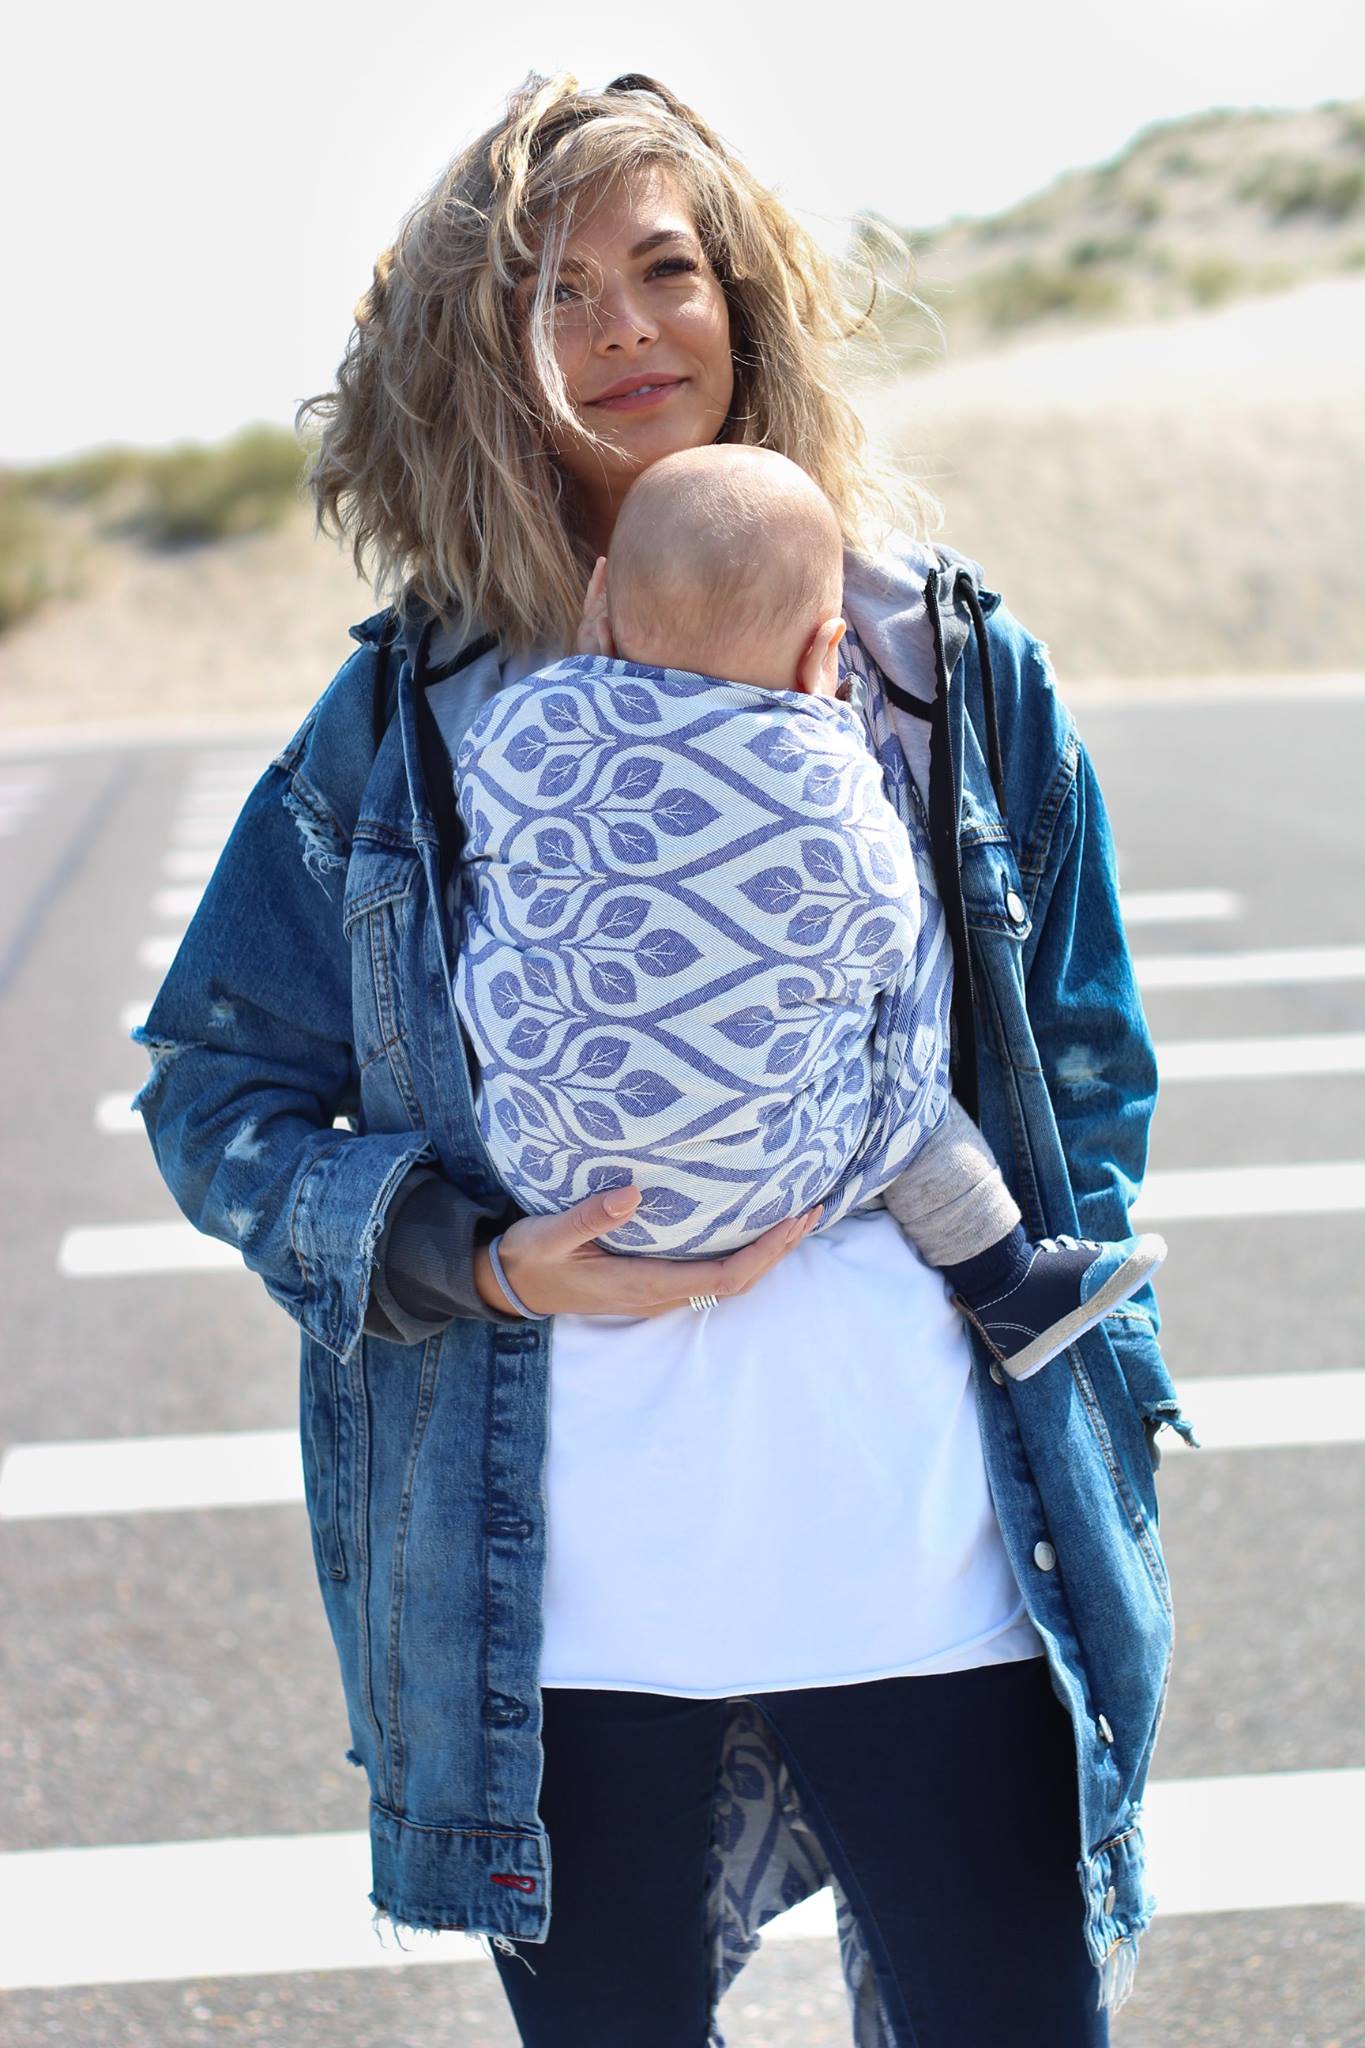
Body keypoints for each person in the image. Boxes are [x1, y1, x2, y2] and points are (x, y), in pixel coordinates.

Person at [132, 69, 1194, 2048]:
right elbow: (216, 1089)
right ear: (480, 361)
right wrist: (478, 1257)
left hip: (929, 1544)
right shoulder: (410, 723)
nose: (623, 328)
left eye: (664, 269)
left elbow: (1081, 1067)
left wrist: (1068, 1365)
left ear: (743, 304)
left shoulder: (944, 664)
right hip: (564, 1595)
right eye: (555, 291)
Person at [454, 440, 1167, 1381]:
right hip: (769, 1191)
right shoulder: (834, 779)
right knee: (910, 1095)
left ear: (599, 606)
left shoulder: (514, 722)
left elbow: (482, 829)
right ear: (826, 651)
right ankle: (1005, 1287)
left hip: (540, 1173)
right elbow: (886, 934)